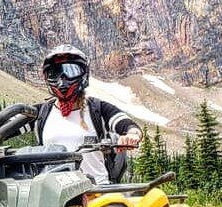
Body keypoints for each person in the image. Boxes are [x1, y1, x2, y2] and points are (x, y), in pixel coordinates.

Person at [30, 45, 143, 183]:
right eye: (55, 73)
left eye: (71, 71)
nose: (62, 79)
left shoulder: (98, 109)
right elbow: (7, 124)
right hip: (54, 196)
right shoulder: (40, 113)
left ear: (83, 73)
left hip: (97, 192)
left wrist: (131, 135)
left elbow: (125, 123)